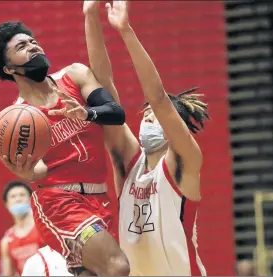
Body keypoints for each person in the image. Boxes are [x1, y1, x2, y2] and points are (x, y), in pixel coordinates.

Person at [0, 21, 130, 276]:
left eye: (32, 41)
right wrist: (25, 171)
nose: (32, 47)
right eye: (22, 46)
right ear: (9, 68)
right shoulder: (20, 121)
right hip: (59, 202)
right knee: (117, 266)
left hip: (99, 196)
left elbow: (116, 113)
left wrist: (86, 113)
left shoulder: (75, 75)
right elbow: (39, 173)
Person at [81, 1, 208, 275]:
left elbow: (159, 98)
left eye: (157, 115)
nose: (149, 117)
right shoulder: (130, 164)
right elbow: (103, 89)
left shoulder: (184, 161)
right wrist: (90, 15)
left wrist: (126, 31)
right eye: (146, 114)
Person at [0, 181, 44, 276]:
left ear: (31, 199)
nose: (18, 199)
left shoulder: (43, 228)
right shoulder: (7, 241)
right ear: (6, 204)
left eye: (22, 195)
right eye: (13, 196)